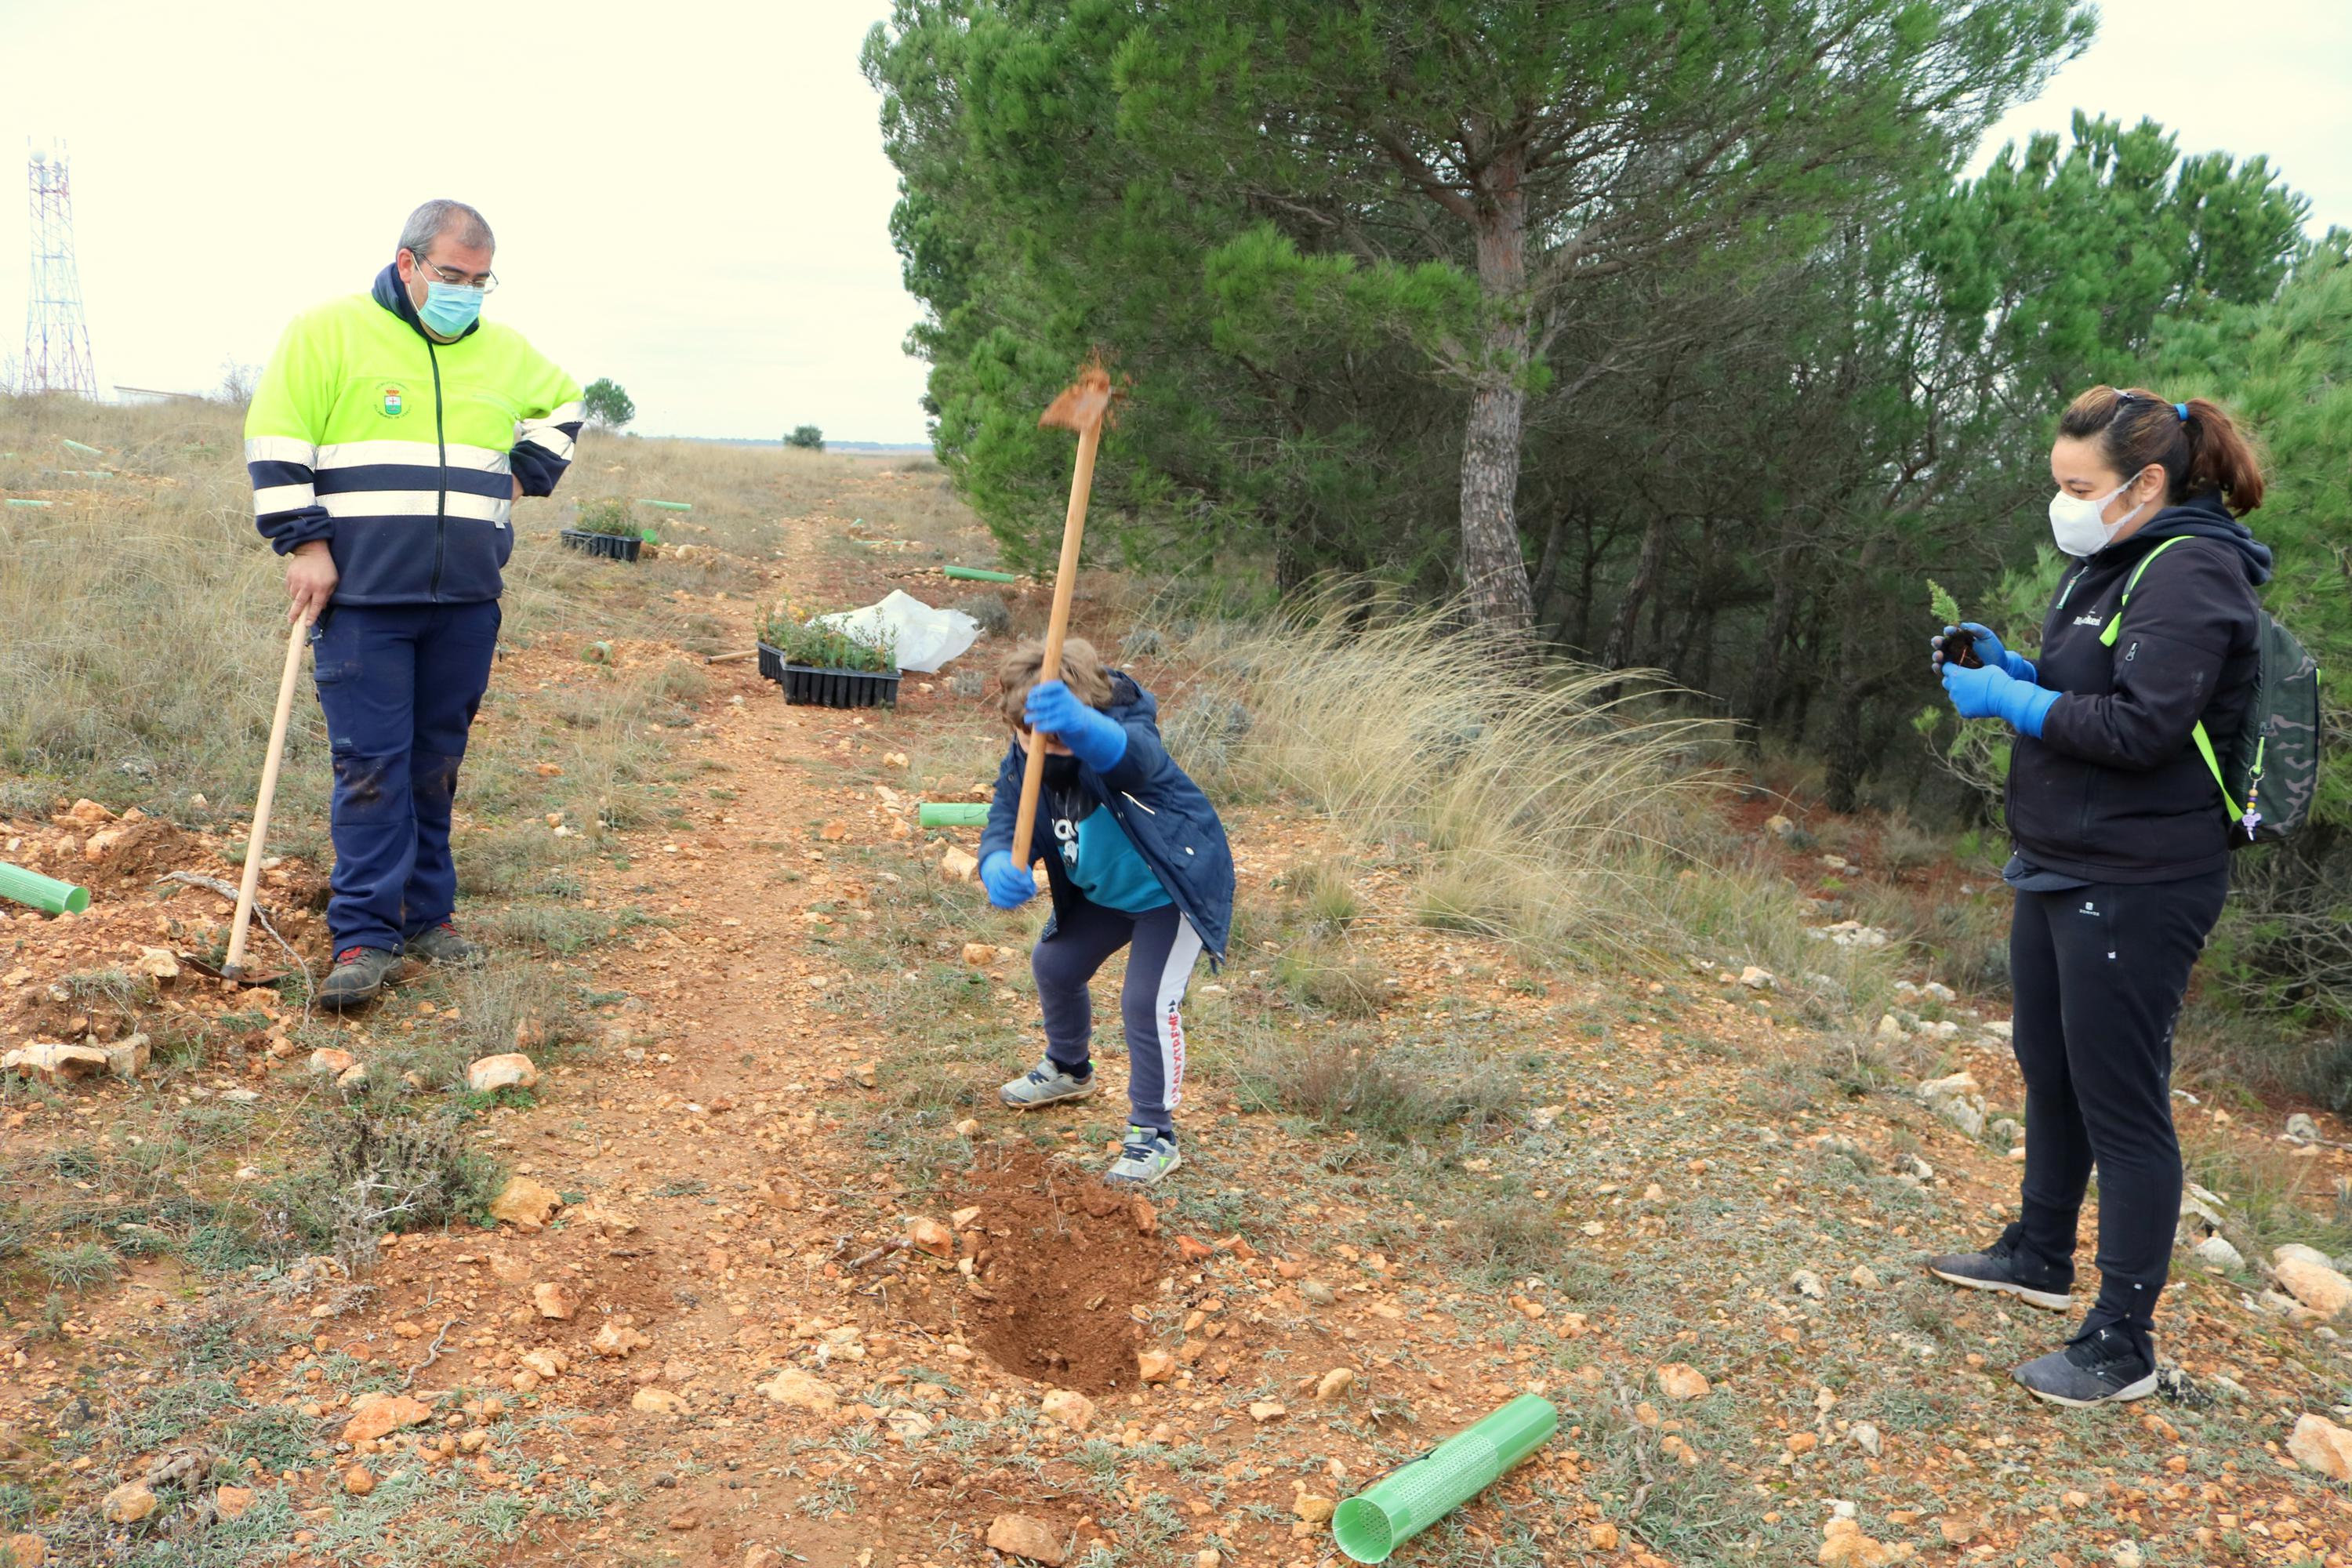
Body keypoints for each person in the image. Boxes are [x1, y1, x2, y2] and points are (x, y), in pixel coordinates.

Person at [1925, 385, 2271, 1407]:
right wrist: (2016, 666)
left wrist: (2013, 703)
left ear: (2147, 483)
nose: (2064, 503)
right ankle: (2039, 1252)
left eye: (2079, 486)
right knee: (2050, 1065)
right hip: (2063, 855)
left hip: (2140, 876)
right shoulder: (2111, 562)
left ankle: (2123, 1342)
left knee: (2121, 1102)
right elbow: (2096, 688)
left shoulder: (2194, 571)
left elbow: (2140, 730)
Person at [245, 199, 583, 1008]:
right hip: (363, 599)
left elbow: (565, 405)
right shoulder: (327, 333)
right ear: (408, 264)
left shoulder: (503, 352)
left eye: (480, 279)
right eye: (451, 275)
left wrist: (523, 472)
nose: (467, 291)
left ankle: (430, 916)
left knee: (435, 767)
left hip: (467, 599)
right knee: (371, 768)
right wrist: (304, 542)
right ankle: (364, 934)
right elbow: (277, 436)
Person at [978, 637, 1235, 1187]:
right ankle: (1069, 1069)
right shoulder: (1025, 757)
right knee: (1055, 965)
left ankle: (1155, 1134)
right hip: (1107, 897)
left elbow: (1134, 757)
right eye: (1032, 739)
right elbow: (1005, 816)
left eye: (1059, 740)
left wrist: (1083, 729)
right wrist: (997, 859)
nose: (1045, 750)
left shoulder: (1119, 734)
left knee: (1145, 1002)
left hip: (1171, 893)